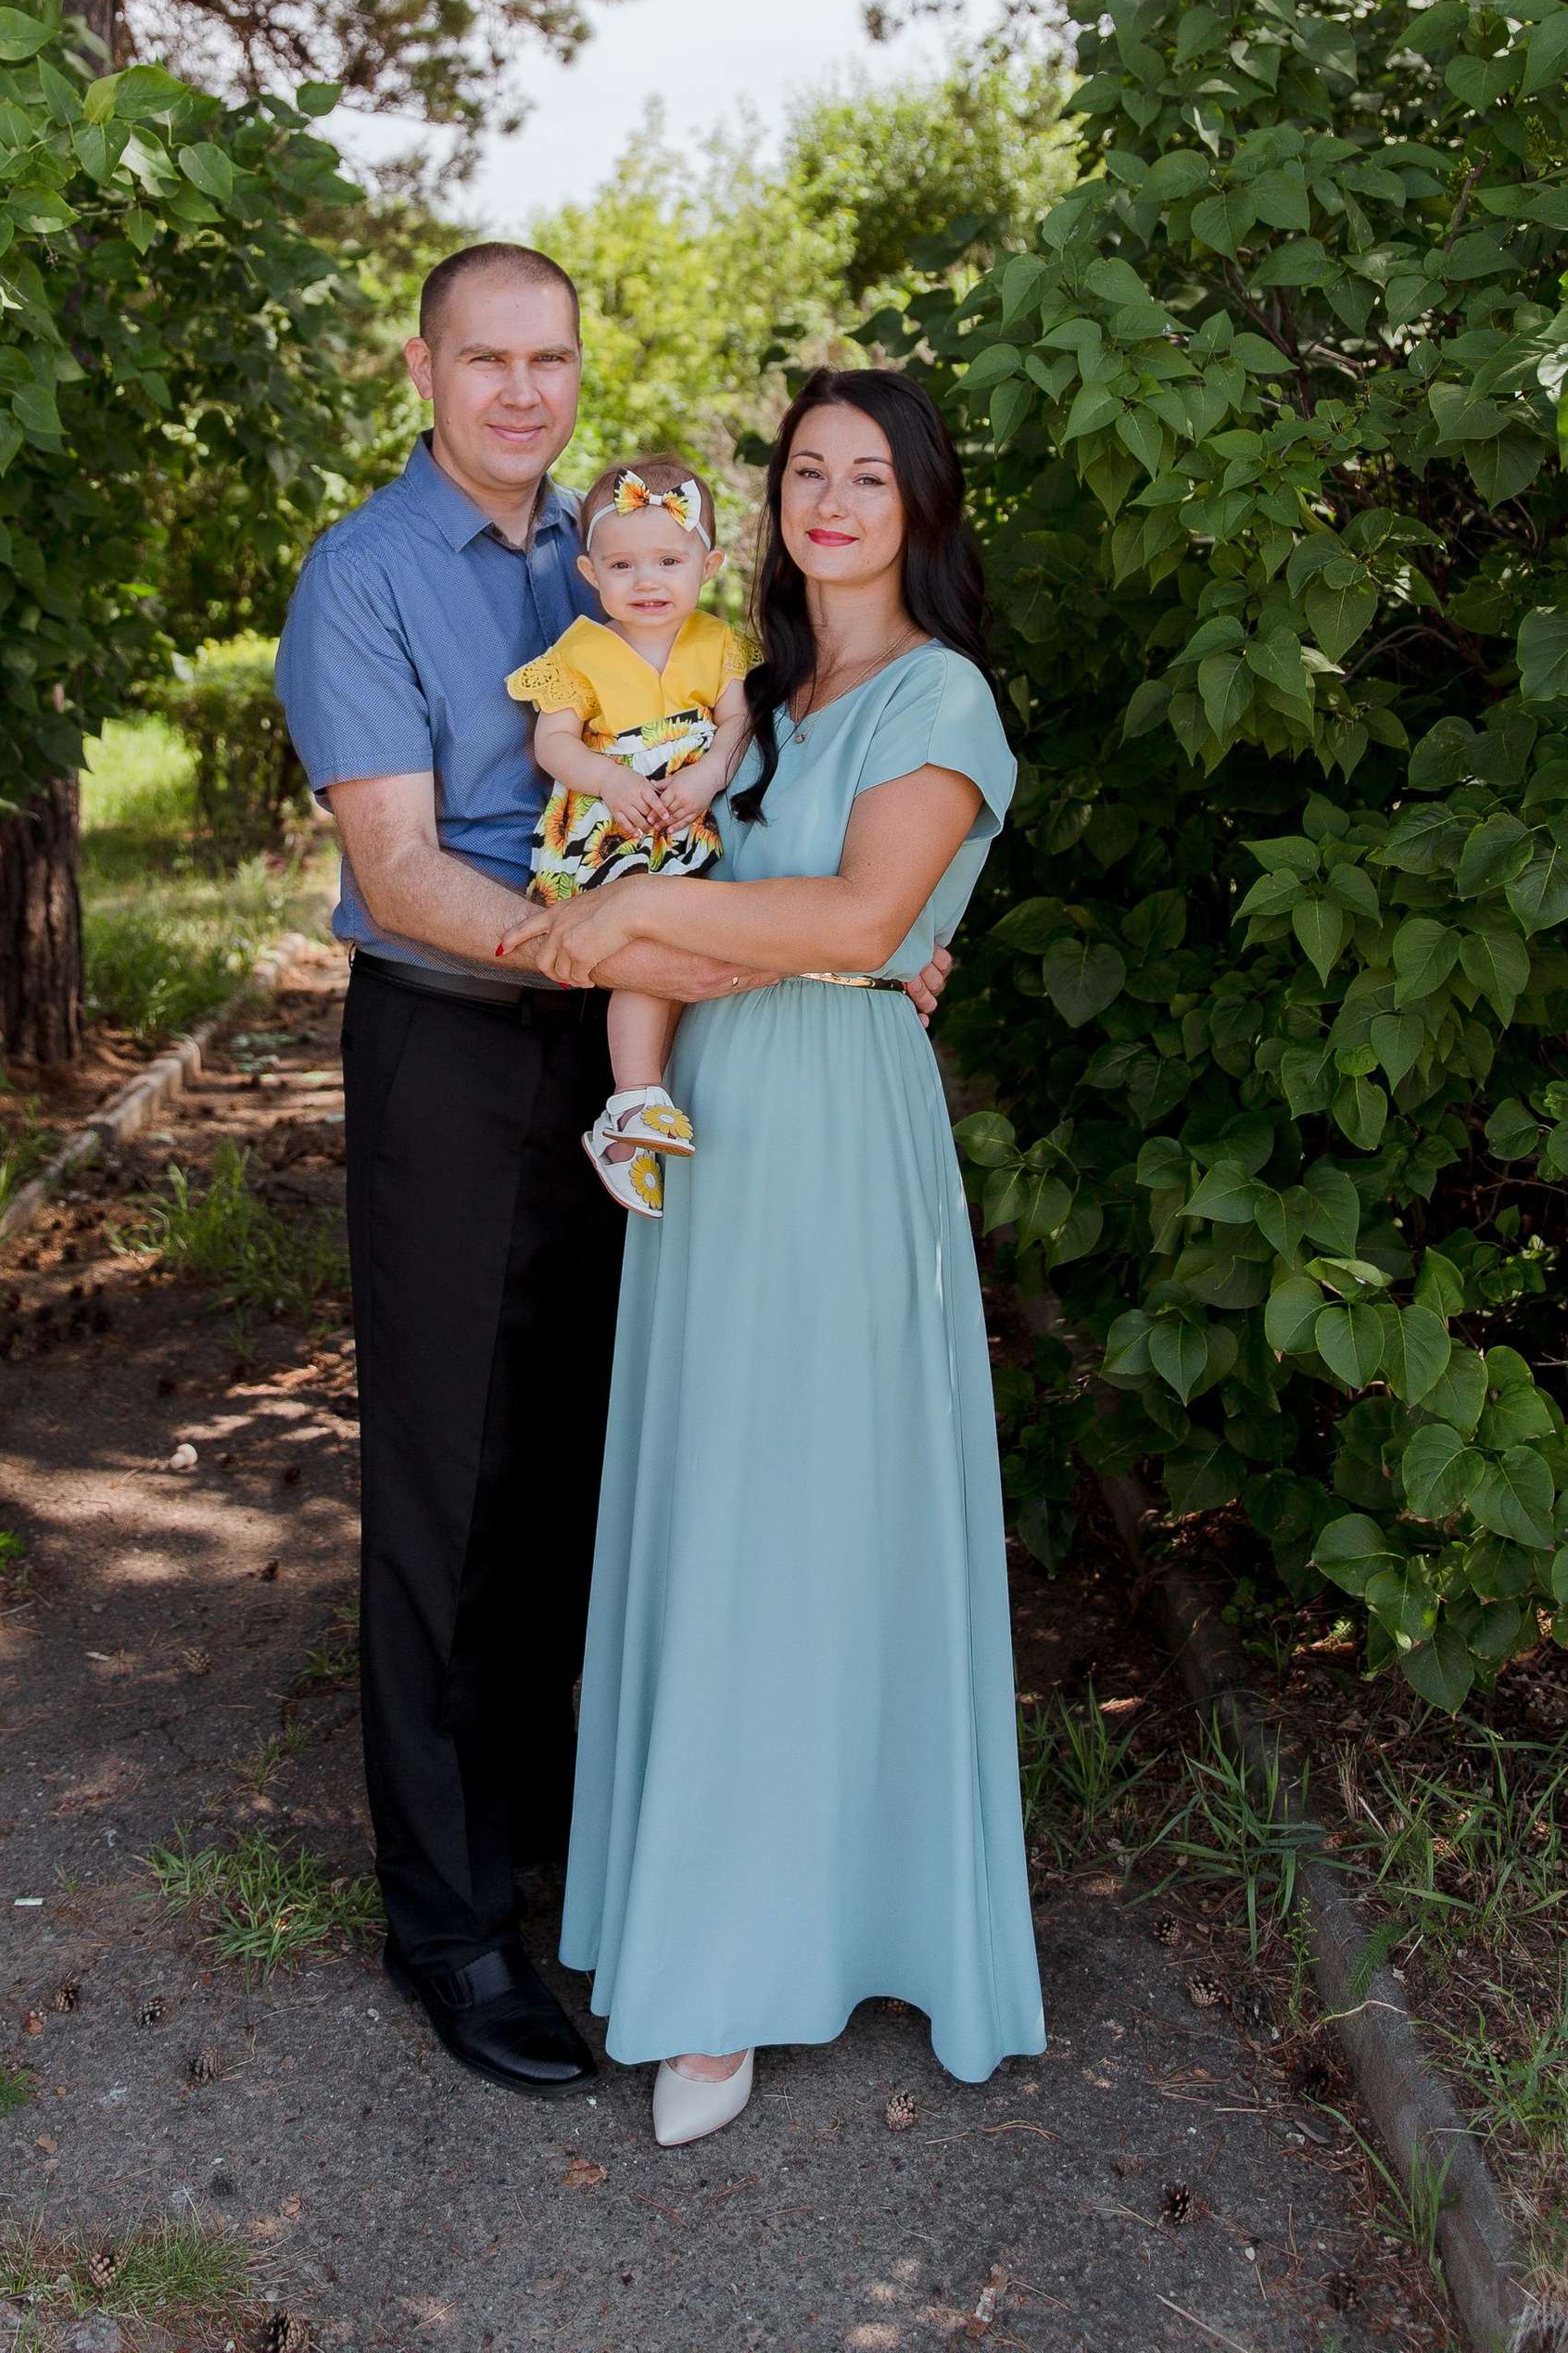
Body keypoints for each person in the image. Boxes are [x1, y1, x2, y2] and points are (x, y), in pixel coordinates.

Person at [272, 248, 958, 2100]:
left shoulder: (621, 546)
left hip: (640, 1036)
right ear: (421, 368)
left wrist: (866, 940)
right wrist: (619, 944)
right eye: (486, 358)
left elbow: (781, 769)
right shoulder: (364, 576)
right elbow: (401, 868)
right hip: (459, 1039)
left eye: (551, 358)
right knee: (449, 1486)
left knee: (601, 1448)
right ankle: (445, 1928)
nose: (523, 390)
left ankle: (553, 1842)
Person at [499, 366, 1045, 2146]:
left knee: (816, 1525)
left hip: (838, 1147)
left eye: (869, 474)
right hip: (710, 1133)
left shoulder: (939, 695)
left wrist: (660, 913)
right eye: (808, 469)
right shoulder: (762, 699)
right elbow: (757, 931)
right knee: (715, 1514)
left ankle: (772, 1962)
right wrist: (707, 931)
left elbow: (865, 917)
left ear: (922, 507)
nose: (832, 500)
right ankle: (706, 1929)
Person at [506, 453, 754, 1215]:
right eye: (622, 565)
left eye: (669, 561)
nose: (647, 581)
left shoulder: (719, 643)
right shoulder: (578, 652)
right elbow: (553, 742)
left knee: (696, 968)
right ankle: (631, 1104)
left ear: (709, 565)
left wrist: (707, 775)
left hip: (691, 819)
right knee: (649, 960)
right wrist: (611, 781)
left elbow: (740, 724)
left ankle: (644, 1119)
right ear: (590, 572)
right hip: (616, 827)